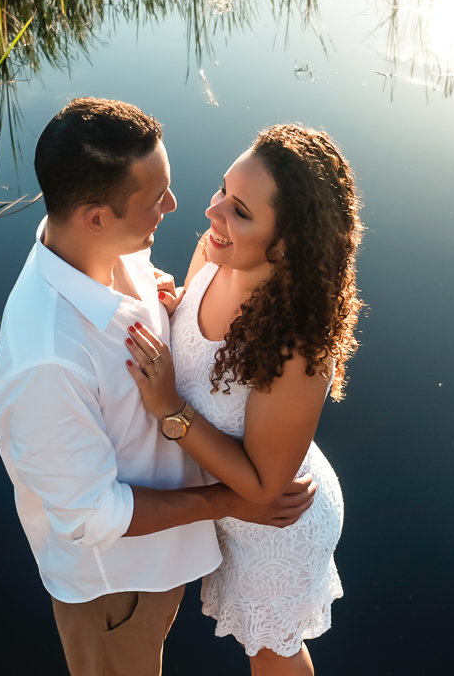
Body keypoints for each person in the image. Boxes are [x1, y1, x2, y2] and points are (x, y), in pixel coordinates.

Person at [0, 98, 316, 676]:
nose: (176, 205)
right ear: (95, 216)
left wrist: (173, 307)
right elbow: (92, 519)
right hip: (117, 583)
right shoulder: (46, 361)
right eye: (154, 199)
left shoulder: (116, 248)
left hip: (165, 551)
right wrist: (225, 502)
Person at [122, 124, 363, 676]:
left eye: (241, 211)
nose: (213, 215)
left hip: (275, 523)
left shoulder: (295, 345)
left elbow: (261, 486)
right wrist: (176, 304)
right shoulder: (214, 251)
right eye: (222, 191)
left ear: (289, 243)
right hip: (232, 502)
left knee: (271, 652)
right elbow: (205, 344)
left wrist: (169, 411)